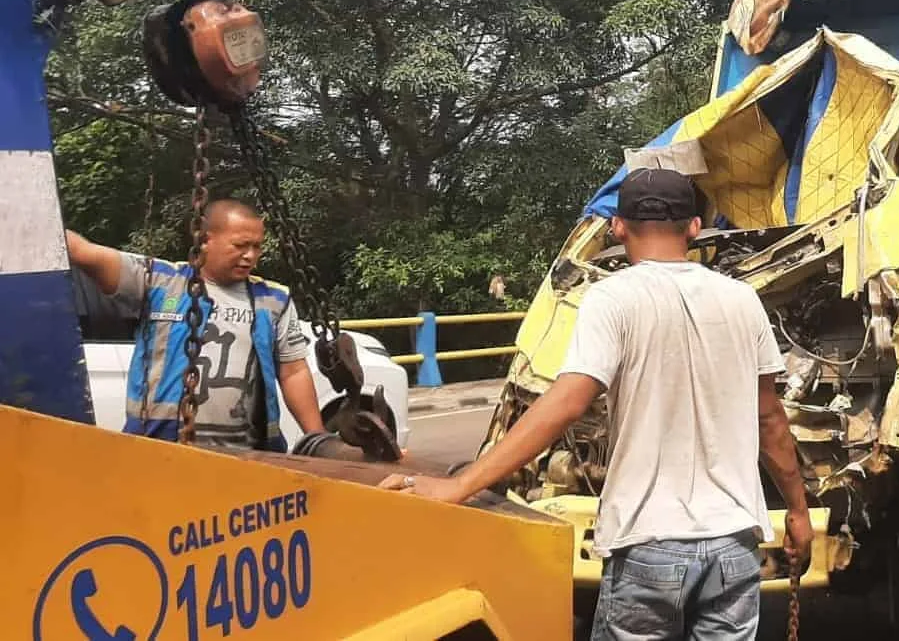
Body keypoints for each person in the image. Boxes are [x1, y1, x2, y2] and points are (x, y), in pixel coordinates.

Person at [381, 168, 813, 640]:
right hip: (733, 544)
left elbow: (566, 402)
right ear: (693, 227)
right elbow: (769, 418)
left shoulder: (611, 298)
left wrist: (457, 486)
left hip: (649, 541)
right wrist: (797, 511)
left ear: (618, 227)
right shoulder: (742, 300)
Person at [65, 199, 325, 449]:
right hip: (159, 448)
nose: (250, 256)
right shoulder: (160, 282)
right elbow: (83, 252)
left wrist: (318, 440)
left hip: (250, 455)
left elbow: (293, 372)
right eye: (240, 245)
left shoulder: (274, 300)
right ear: (205, 239)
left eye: (257, 247)